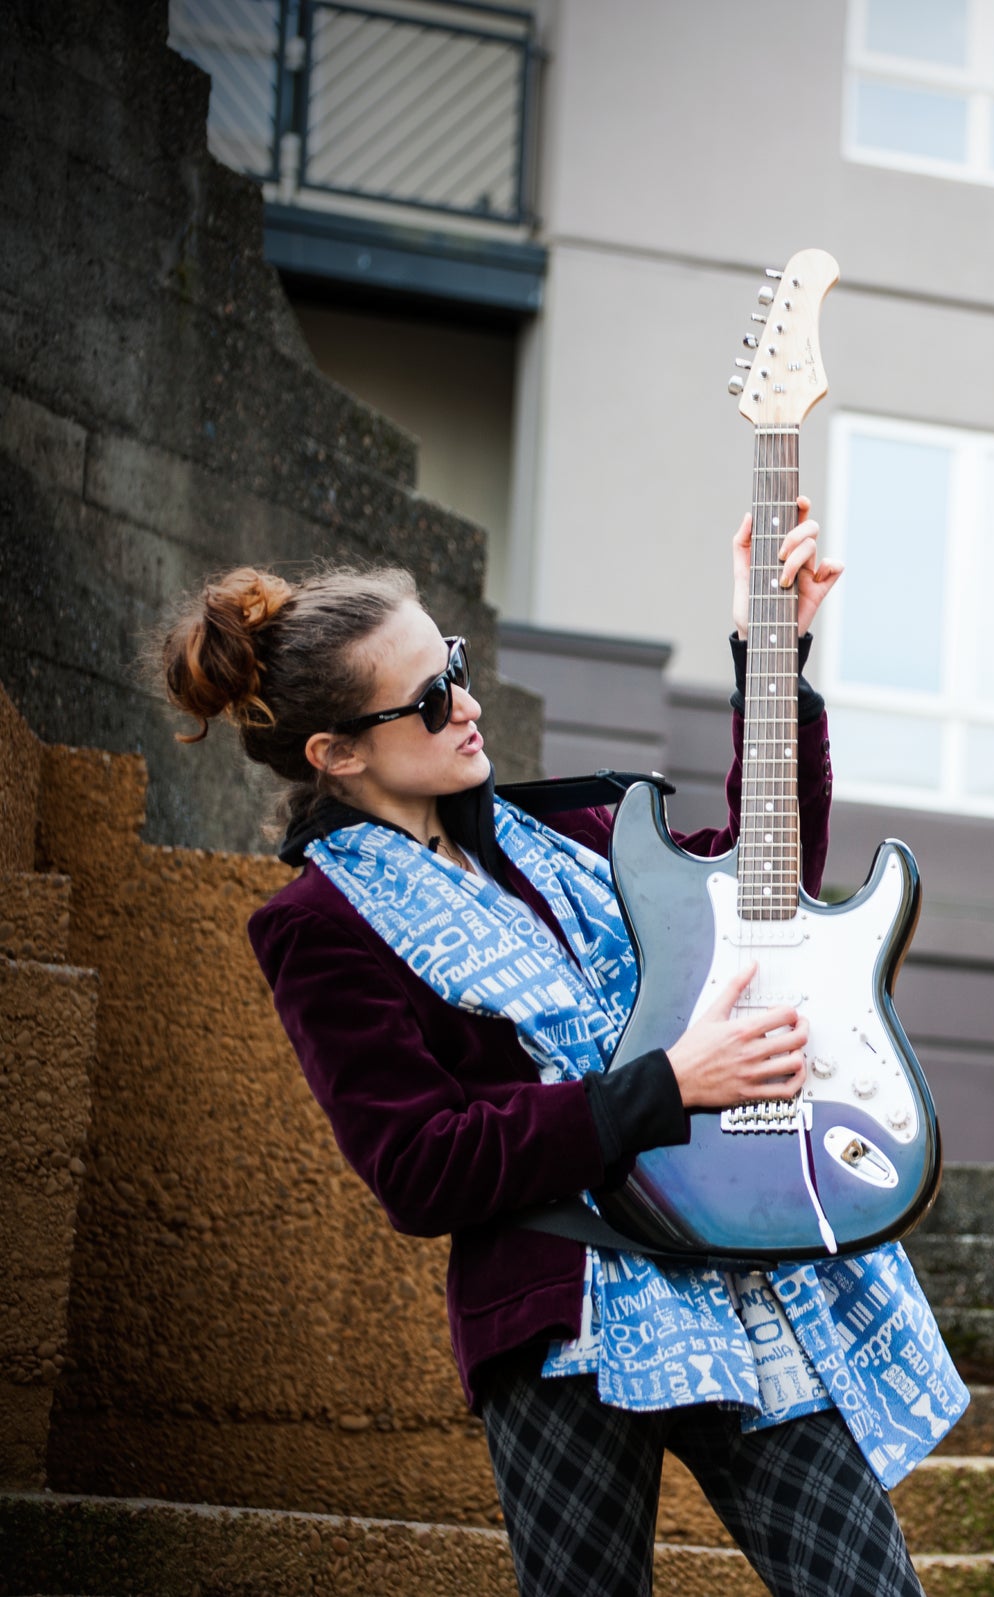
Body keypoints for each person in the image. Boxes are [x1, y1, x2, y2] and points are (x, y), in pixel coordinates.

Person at [161, 503, 945, 1597]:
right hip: (557, 1306)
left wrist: (775, 660)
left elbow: (754, 896)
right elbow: (420, 1164)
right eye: (431, 700)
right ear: (336, 753)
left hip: (730, 1264)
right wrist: (666, 1087)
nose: (467, 707)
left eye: (459, 668)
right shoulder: (317, 925)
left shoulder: (574, 834)